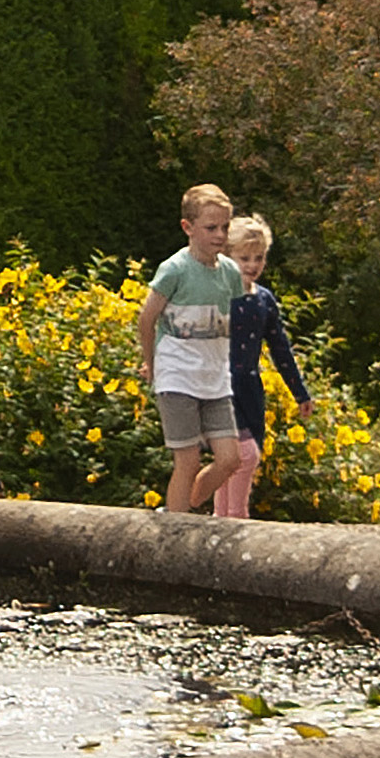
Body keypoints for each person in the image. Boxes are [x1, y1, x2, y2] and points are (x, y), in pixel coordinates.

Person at [134, 182, 248, 517]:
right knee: (188, 459)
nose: (220, 235)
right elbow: (147, 319)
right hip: (178, 376)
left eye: (225, 227)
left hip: (213, 378)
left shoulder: (229, 272)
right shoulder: (175, 270)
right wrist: (152, 364)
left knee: (230, 459)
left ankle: (186, 505)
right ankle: (177, 526)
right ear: (188, 228)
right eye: (211, 228)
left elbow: (230, 322)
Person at [223, 212, 311, 516]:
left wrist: (300, 393)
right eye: (244, 258)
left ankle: (220, 518)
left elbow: (280, 349)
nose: (251, 265)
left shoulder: (264, 300)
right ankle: (236, 518)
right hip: (220, 387)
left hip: (250, 388)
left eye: (258, 258)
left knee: (244, 456)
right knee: (242, 455)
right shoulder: (217, 295)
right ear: (227, 256)